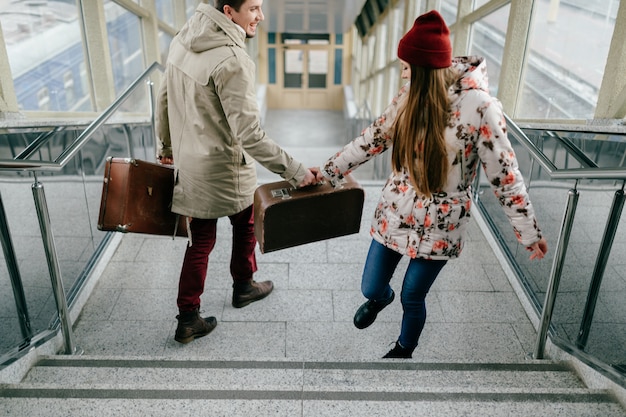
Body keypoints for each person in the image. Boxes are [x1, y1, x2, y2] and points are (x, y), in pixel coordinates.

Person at [319, 10, 548, 359]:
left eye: (408, 67)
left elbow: (506, 175)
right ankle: (381, 299)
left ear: (426, 70)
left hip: (441, 223)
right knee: (371, 285)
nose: (403, 74)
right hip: (397, 210)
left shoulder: (481, 108)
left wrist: (528, 232)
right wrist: (327, 173)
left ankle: (403, 350)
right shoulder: (408, 96)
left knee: (413, 294)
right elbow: (372, 140)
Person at [155, 0, 319, 344]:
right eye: (254, 8)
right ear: (229, 11)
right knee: (245, 224)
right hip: (224, 169)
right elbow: (250, 136)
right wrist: (295, 171)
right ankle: (243, 286)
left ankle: (188, 317)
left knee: (200, 240)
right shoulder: (232, 60)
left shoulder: (184, 38)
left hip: (191, 165)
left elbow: (164, 98)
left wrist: (167, 148)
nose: (261, 16)